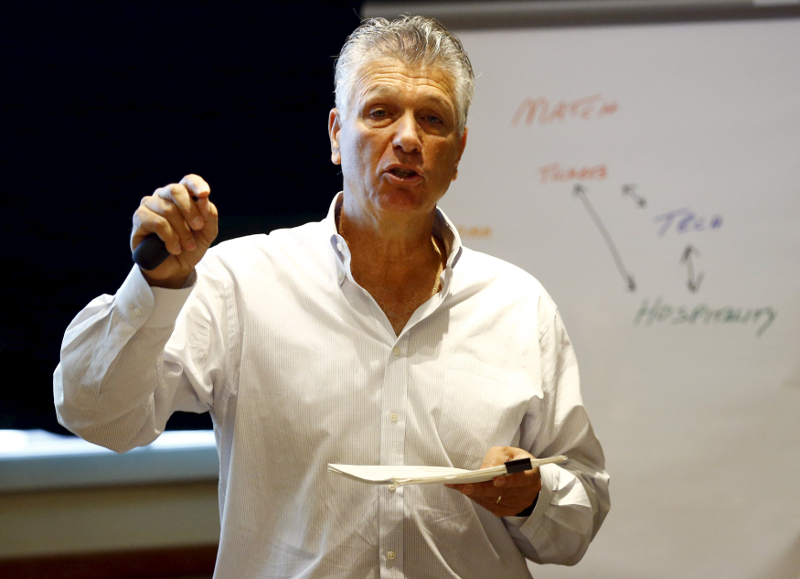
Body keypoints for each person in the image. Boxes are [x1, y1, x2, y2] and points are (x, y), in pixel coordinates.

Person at [54, 15, 609, 579]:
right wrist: (155, 288)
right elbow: (96, 415)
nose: (409, 138)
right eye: (380, 112)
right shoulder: (241, 282)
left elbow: (580, 514)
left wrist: (533, 494)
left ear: (458, 151)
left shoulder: (519, 306)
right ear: (335, 135)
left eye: (433, 119)